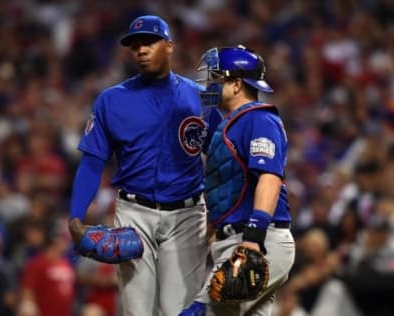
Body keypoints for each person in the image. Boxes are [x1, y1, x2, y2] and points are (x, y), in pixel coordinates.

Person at [68, 15, 214, 316]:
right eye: (135, 45)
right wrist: (75, 216)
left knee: (180, 311)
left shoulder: (200, 97)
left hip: (187, 215)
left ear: (170, 46)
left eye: (149, 42)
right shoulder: (111, 100)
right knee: (137, 311)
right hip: (134, 215)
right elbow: (93, 162)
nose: (141, 50)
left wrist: (222, 212)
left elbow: (222, 157)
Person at [180, 45, 295, 316]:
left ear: (235, 84)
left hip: (258, 240)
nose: (209, 85)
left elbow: (269, 178)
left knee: (198, 312)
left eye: (216, 79)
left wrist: (253, 238)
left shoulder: (260, 119)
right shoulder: (230, 123)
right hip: (236, 239)